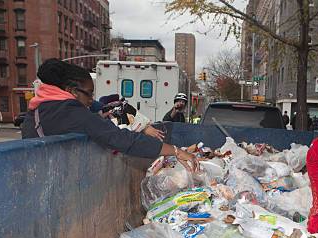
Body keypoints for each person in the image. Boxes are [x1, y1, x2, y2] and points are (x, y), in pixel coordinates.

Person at [21, 59, 198, 170]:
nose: (91, 99)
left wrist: (141, 125)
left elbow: (105, 107)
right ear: (71, 91)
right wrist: (175, 151)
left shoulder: (43, 106)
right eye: (88, 93)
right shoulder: (69, 112)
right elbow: (121, 139)